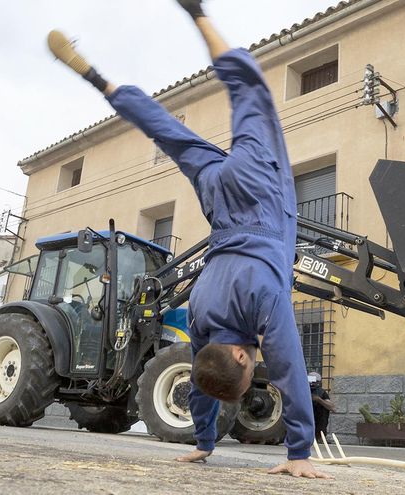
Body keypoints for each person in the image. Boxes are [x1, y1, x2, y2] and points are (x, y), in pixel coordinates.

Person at [47, 0, 330, 479]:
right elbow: (201, 374)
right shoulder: (199, 308)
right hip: (218, 203)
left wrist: (298, 453)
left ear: (241, 355)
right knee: (166, 132)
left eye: (248, 366)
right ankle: (101, 81)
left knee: (249, 88)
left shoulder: (262, 300)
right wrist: (202, 443)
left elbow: (289, 369)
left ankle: (197, 10)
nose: (256, 360)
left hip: (255, 197)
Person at [308, 372, 336, 441]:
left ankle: (320, 438)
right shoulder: (303, 391)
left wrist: (319, 400)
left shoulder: (321, 392)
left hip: (319, 428)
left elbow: (333, 408)